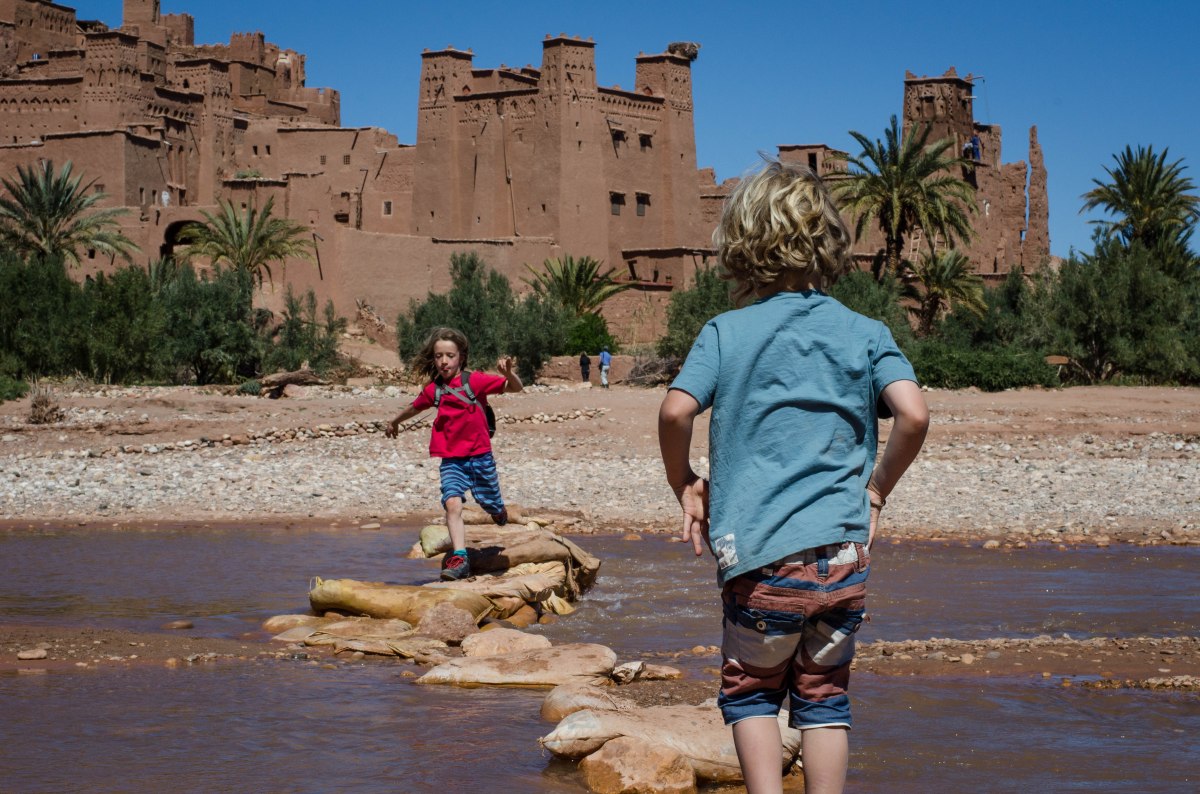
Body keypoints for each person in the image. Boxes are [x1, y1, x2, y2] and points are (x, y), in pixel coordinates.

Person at [657, 160, 929, 794]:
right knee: (824, 698)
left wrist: (685, 483)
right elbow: (913, 414)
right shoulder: (865, 332)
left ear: (745, 242)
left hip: (759, 560)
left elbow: (675, 410)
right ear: (827, 240)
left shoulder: (726, 331)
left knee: (753, 693)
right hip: (843, 557)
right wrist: (877, 490)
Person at [385, 327, 523, 581]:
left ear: (461, 357)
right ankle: (460, 557)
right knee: (452, 503)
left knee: (489, 501)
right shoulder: (434, 390)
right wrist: (394, 421)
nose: (444, 361)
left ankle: (498, 510)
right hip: (452, 460)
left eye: (450, 355)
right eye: (439, 356)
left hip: (480, 456)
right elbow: (414, 408)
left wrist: (508, 374)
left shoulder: (475, 381)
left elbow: (515, 388)